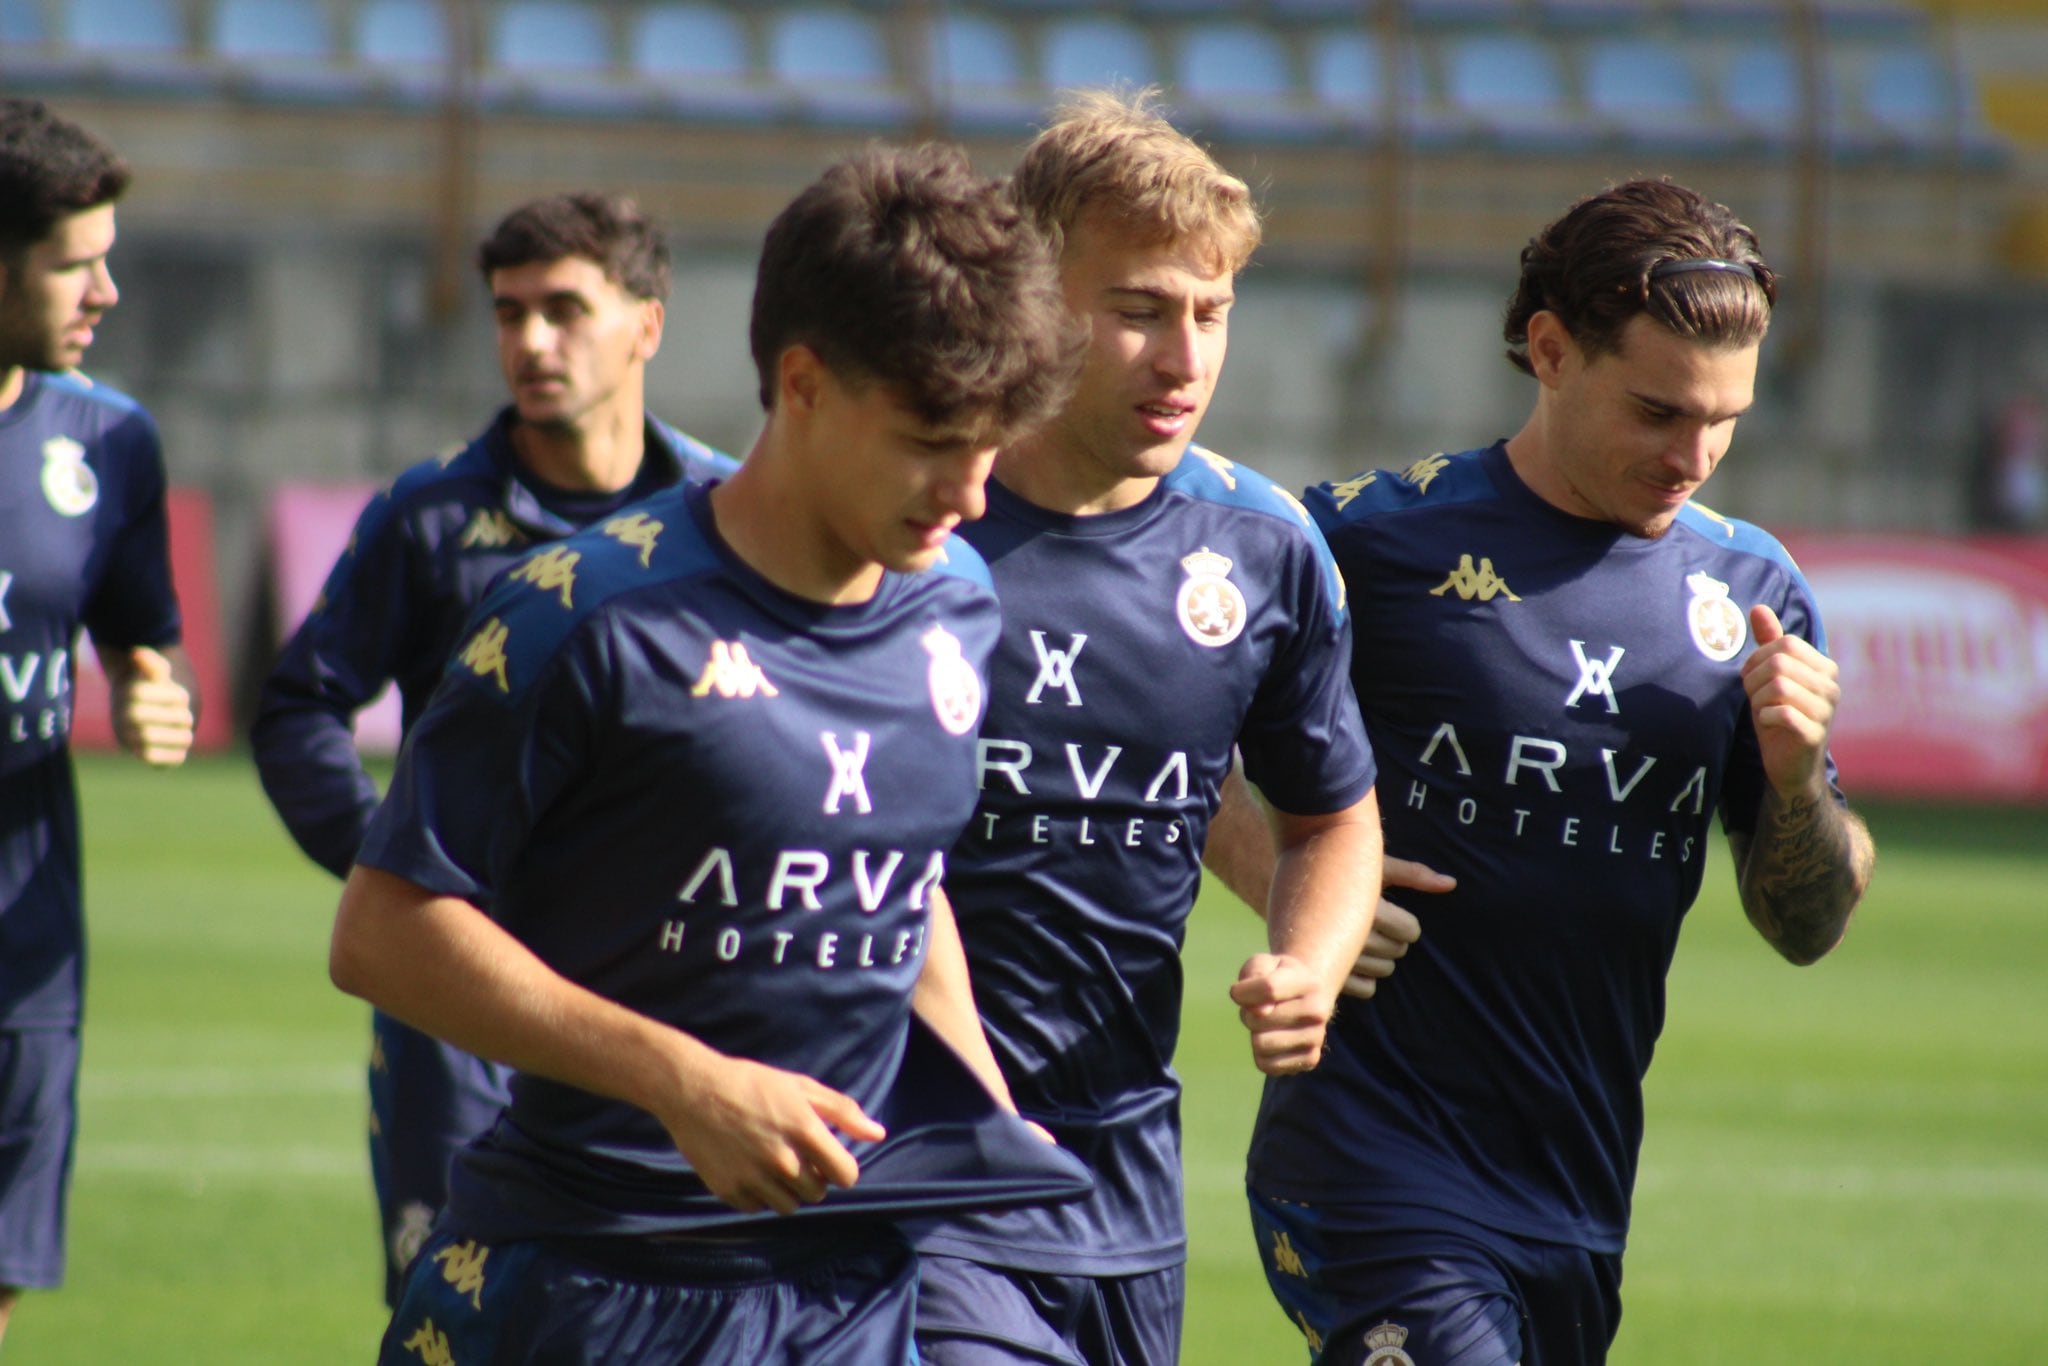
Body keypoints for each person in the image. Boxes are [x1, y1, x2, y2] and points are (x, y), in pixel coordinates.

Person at [329, 140, 1091, 1364]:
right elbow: (383, 931)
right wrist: (685, 1081)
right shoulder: (579, 613)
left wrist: (983, 1114)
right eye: (931, 436)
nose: (971, 491)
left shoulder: (954, 599)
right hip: (591, 1276)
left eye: (991, 441)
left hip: (851, 1280)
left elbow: (901, 877)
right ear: (802, 384)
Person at [1236, 178, 1878, 1365]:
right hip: (1370, 1164)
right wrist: (1297, 873)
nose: (1693, 454)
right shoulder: (1364, 544)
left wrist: (1792, 785)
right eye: (1656, 411)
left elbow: (1806, 923)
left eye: (1723, 419)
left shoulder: (1751, 596)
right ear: (1547, 349)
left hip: (1574, 1191)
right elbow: (1183, 727)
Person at [909, 90, 1385, 1366]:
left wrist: (1307, 963)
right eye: (1136, 313)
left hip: (1122, 1190)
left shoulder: (1263, 549)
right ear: (1030, 295)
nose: (1184, 359)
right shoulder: (907, 524)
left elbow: (1332, 818)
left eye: (1210, 313)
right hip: (898, 1174)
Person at [250, 191, 735, 1302]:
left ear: (647, 324)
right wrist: (397, 867)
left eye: (565, 309)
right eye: (508, 313)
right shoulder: (428, 516)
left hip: (670, 979)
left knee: (670, 1298)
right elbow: (300, 705)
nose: (529, 341)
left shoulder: (723, 513)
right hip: (461, 1008)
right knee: (459, 1300)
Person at [0, 96, 197, 1343]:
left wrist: (147, 683)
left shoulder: (110, 440)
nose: (107, 291)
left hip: (27, 926)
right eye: (76, 263)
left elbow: (142, 629)